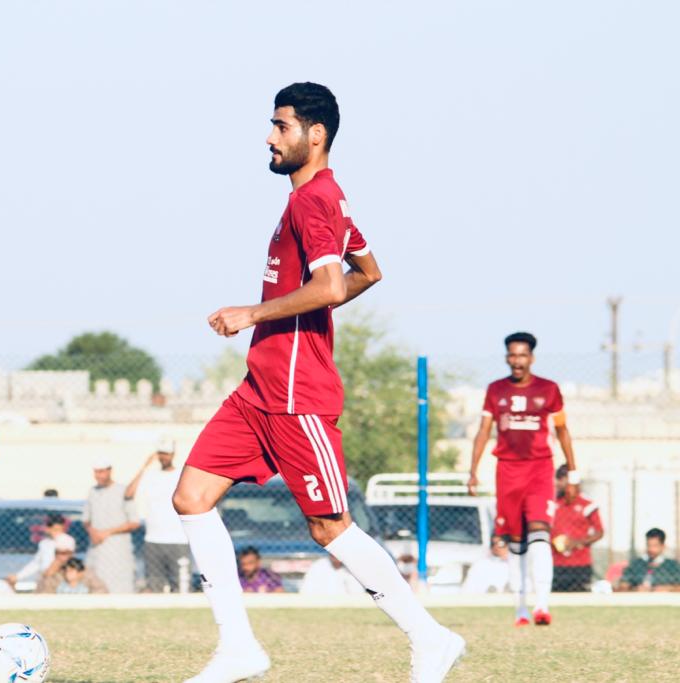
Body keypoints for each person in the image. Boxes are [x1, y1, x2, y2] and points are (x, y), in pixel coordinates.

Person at [171, 82, 463, 683]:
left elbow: (332, 285)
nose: (269, 137)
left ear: (316, 134)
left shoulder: (312, 201)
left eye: (280, 126)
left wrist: (253, 313)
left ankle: (430, 638)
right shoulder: (322, 197)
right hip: (257, 391)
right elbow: (368, 272)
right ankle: (238, 648)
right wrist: (289, 316)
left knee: (330, 527)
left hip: (296, 396)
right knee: (191, 498)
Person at [468, 331, 578, 627]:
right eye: (512, 355)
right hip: (507, 471)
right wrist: (473, 470)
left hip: (540, 469)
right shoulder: (495, 390)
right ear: (507, 357)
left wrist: (573, 473)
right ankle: (521, 609)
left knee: (540, 533)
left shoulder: (549, 389)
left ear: (531, 358)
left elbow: (562, 431)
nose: (517, 361)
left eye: (522, 355)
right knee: (515, 542)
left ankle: (542, 605)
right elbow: (483, 431)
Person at [125, 438, 190, 592]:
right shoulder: (150, 475)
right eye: (161, 453)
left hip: (178, 540)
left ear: (173, 454)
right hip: (153, 540)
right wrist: (145, 466)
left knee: (181, 588)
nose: (163, 457)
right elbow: (128, 494)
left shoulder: (181, 475)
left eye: (166, 453)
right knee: (155, 588)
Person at [83, 460, 140, 593]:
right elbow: (86, 519)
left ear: (109, 471)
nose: (98, 475)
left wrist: (106, 533)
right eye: (96, 472)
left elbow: (134, 522)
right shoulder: (92, 491)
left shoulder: (123, 491)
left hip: (118, 550)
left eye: (101, 472)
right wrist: (92, 532)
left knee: (120, 588)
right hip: (97, 551)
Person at [551, 465, 603, 592]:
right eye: (557, 479)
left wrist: (576, 542)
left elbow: (599, 532)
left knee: (581, 597)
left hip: (580, 564)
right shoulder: (553, 503)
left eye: (561, 479)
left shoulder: (587, 504)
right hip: (556, 563)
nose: (558, 483)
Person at [7, 514, 69, 589]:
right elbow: (37, 563)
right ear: (47, 529)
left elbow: (61, 560)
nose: (59, 533)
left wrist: (48, 573)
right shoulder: (45, 543)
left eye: (61, 530)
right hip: (44, 578)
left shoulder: (67, 541)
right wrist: (18, 576)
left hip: (59, 578)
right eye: (55, 530)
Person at [37, 557, 109, 595]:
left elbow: (101, 591)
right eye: (66, 570)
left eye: (71, 571)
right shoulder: (59, 583)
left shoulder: (85, 584)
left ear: (80, 573)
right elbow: (45, 591)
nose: (68, 573)